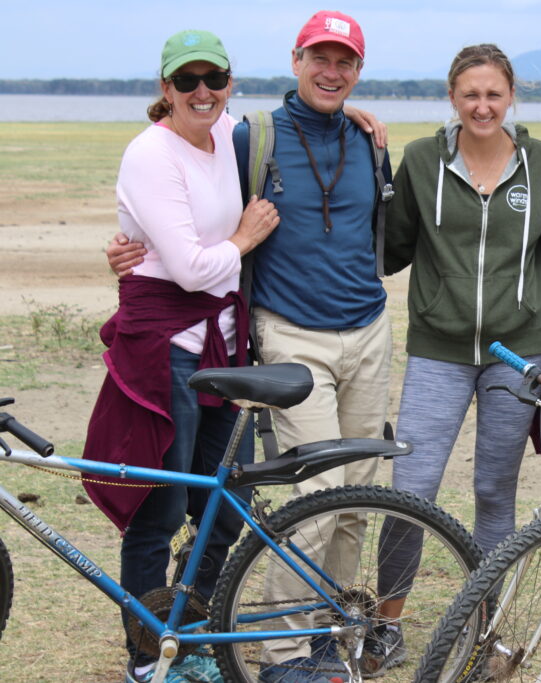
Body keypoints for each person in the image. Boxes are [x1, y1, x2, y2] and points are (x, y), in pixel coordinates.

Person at [107, 11, 392, 683]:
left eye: (344, 61)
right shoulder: (247, 136)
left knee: (337, 499)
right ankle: (274, 656)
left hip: (357, 334)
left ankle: (312, 634)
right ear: (295, 60)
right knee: (292, 500)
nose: (331, 71)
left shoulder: (368, 139)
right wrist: (123, 248)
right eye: (318, 58)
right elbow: (171, 226)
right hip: (277, 337)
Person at [82, 29, 280, 683]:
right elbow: (195, 270)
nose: (202, 92)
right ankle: (148, 656)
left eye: (213, 79)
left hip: (220, 346)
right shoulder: (150, 155)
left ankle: (190, 628)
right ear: (165, 88)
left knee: (225, 507)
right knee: (159, 508)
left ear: (229, 84)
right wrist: (246, 238)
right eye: (186, 81)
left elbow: (301, 109)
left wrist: (365, 116)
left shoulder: (227, 134)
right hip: (164, 350)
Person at [372, 43, 541, 675]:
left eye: (494, 94)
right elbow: (390, 248)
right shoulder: (423, 159)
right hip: (438, 349)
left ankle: (489, 624)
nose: (483, 105)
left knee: (493, 489)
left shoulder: (539, 162)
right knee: (412, 488)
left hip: (518, 349)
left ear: (511, 98)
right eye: (470, 94)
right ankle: (385, 625)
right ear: (453, 97)